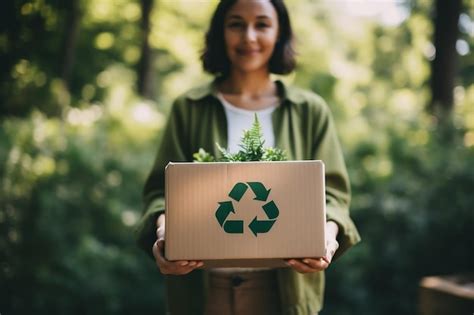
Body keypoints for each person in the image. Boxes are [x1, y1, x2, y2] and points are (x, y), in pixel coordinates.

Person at [135, 0, 361, 314]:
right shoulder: (189, 108)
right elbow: (161, 193)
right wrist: (164, 234)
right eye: (236, 24)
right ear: (220, 32)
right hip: (202, 293)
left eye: (262, 24)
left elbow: (333, 195)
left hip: (284, 292)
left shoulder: (310, 111)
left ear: (280, 32)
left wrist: (327, 236)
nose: (249, 37)